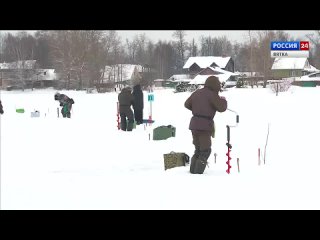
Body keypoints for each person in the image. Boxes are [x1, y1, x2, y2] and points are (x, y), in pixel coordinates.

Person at [184, 76, 228, 174]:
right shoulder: (212, 95)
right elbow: (221, 108)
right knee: (205, 150)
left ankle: (193, 172)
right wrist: (223, 100)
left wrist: (197, 109)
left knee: (198, 149)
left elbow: (186, 104)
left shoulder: (197, 93)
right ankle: (198, 174)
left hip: (194, 124)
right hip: (204, 126)